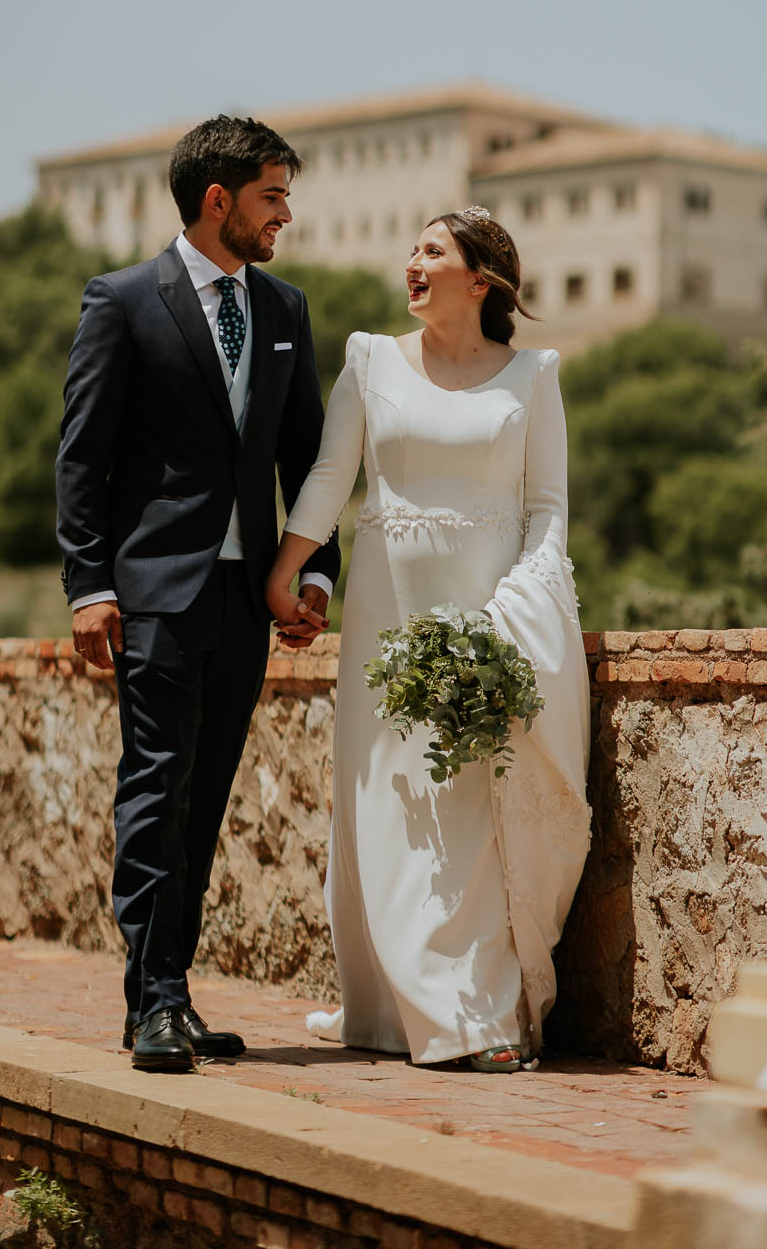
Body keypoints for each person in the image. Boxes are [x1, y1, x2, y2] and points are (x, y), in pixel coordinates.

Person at [267, 206, 591, 1072]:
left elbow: (547, 509)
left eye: (433, 252)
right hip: (386, 606)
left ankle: (472, 1013)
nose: (411, 262)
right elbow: (332, 477)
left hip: (492, 613)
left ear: (479, 280)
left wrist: (519, 607)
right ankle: (404, 1004)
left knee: (475, 806)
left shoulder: (533, 376)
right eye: (411, 248)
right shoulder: (369, 360)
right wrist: (286, 569)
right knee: (392, 798)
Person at [56, 115, 340, 1074]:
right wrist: (88, 585)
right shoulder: (124, 301)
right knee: (156, 791)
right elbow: (83, 458)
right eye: (272, 197)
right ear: (217, 200)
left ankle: (160, 998)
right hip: (153, 594)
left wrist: (310, 573)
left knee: (205, 798)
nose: (286, 216)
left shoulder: (286, 311)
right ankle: (161, 1001)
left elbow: (309, 460)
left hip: (243, 601)